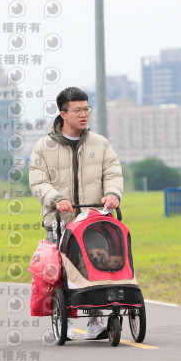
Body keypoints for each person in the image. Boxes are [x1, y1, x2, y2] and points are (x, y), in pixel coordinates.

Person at [29, 86, 123, 341]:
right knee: (61, 274)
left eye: (86, 109)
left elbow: (113, 172)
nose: (84, 115)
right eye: (78, 110)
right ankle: (65, 321)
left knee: (97, 269)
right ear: (63, 114)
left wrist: (113, 193)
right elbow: (38, 181)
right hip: (60, 222)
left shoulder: (100, 143)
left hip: (94, 222)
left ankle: (96, 322)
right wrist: (56, 199)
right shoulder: (43, 146)